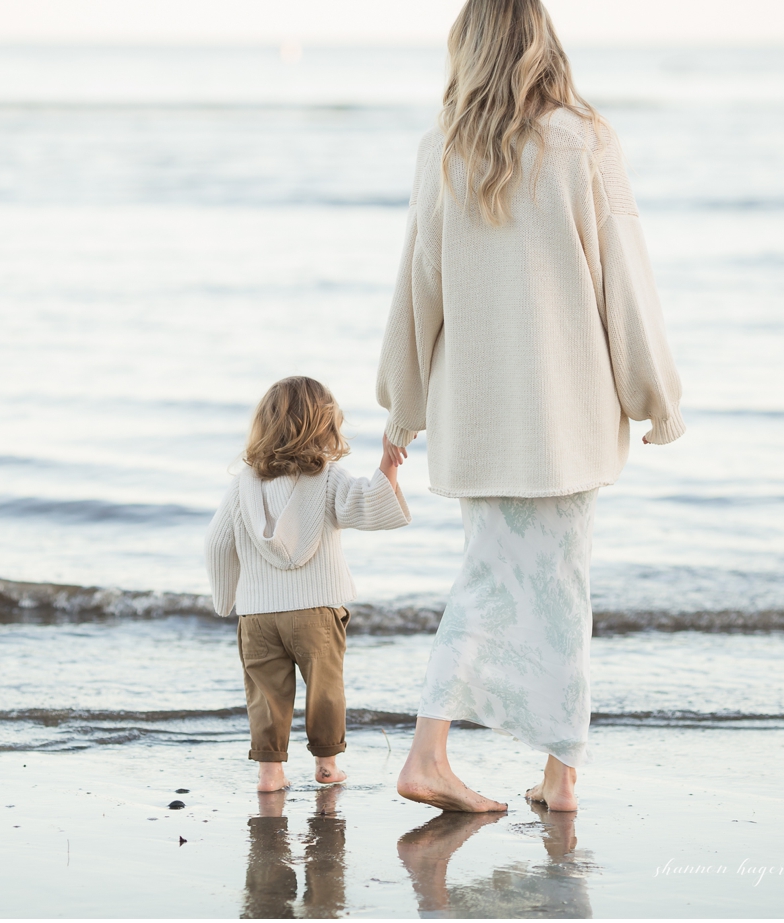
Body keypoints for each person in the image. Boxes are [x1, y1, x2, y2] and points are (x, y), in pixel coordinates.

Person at [377, 0, 684, 816]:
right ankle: (432, 754)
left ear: (469, 48)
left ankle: (557, 775)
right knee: (545, 586)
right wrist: (655, 395)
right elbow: (624, 277)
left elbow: (419, 291)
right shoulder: (586, 143)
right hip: (565, 417)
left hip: (478, 418)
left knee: (524, 585)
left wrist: (402, 409)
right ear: (541, 44)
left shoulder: (443, 148)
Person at [204, 376, 409, 794]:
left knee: (266, 695)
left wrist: (227, 600)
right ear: (324, 426)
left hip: (258, 615)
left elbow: (217, 543)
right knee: (325, 688)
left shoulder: (241, 485)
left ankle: (269, 774)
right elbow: (369, 507)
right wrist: (388, 463)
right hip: (317, 610)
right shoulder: (329, 479)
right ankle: (328, 766)